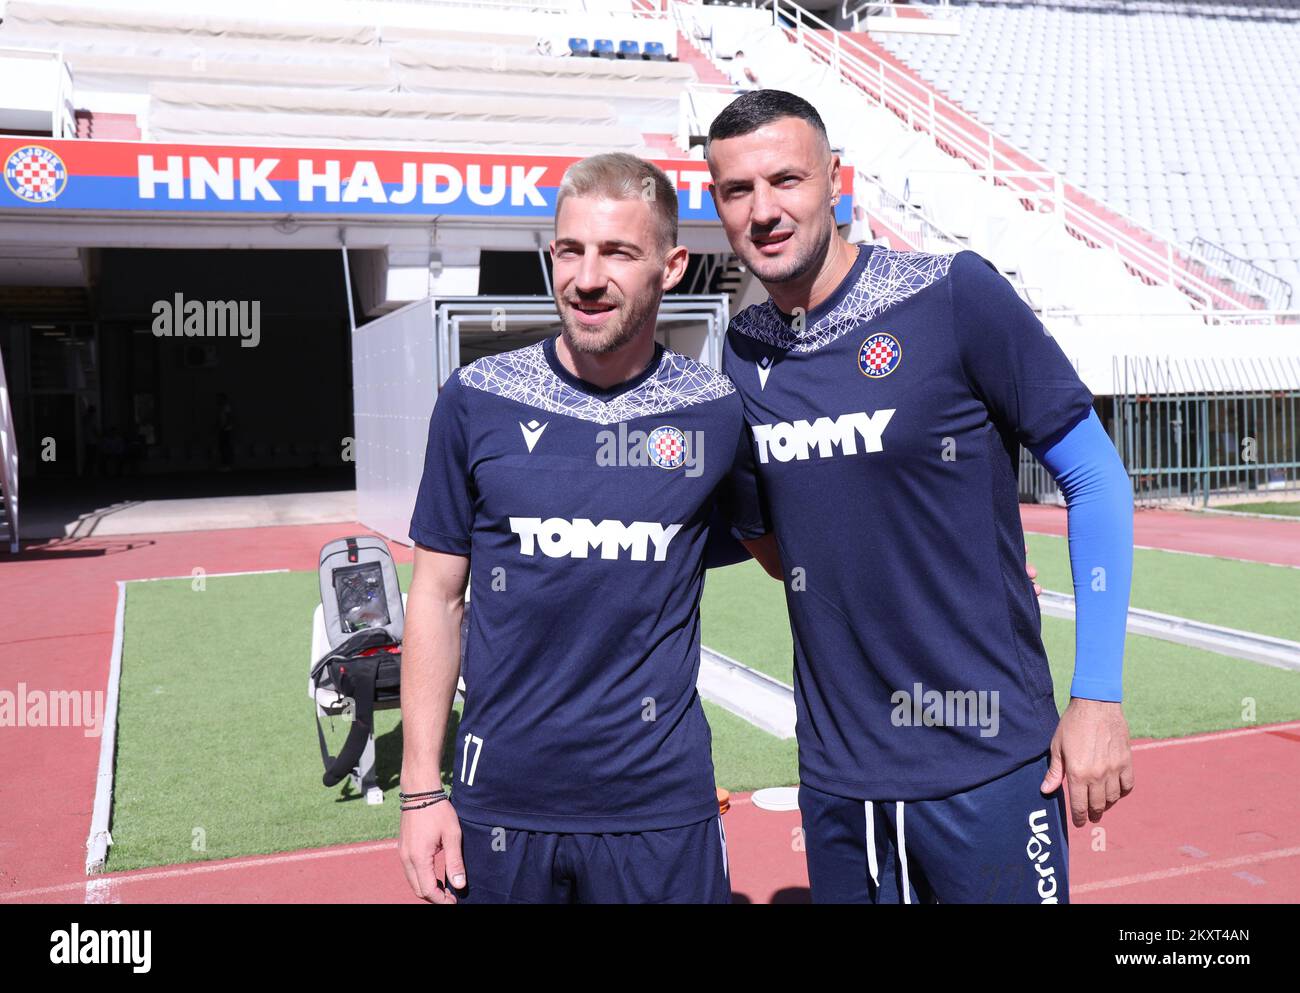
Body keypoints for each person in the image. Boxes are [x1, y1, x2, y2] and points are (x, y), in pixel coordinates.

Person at [704, 89, 1136, 903]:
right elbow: (773, 540)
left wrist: (1099, 695)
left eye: (786, 180)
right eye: (737, 190)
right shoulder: (743, 350)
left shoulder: (951, 293)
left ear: (837, 180)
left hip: (990, 766)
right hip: (840, 783)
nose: (764, 210)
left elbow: (1097, 478)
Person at [397, 153, 768, 904]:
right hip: (498, 809)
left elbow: (799, 555)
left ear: (672, 265)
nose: (587, 278)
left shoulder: (717, 409)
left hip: (660, 813)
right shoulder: (476, 399)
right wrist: (418, 790)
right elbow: (436, 596)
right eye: (570, 250)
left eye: (618, 253)